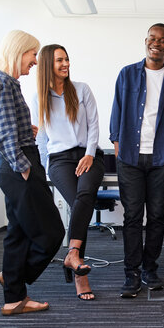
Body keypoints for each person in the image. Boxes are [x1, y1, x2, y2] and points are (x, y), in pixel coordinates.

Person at [0, 30, 65, 316]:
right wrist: (24, 167)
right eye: (33, 54)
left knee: (17, 234)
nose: (34, 62)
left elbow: (3, 128)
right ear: (20, 50)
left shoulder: (7, 83)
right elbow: (3, 136)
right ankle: (14, 276)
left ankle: (14, 298)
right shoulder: (4, 84)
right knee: (53, 232)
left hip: (16, 164)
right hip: (19, 166)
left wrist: (25, 132)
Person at [109, 23, 164, 298]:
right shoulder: (127, 74)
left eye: (163, 39)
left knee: (156, 216)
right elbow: (116, 112)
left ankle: (149, 269)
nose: (157, 43)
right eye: (153, 38)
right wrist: (118, 146)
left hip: (160, 159)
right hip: (129, 157)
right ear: (146, 41)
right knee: (132, 216)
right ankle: (131, 274)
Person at [32, 44, 104, 301]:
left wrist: (90, 154)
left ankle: (74, 259)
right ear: (47, 65)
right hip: (59, 159)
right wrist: (43, 167)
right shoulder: (40, 96)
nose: (65, 64)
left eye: (67, 59)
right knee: (77, 204)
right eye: (59, 60)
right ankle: (77, 267)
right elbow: (41, 137)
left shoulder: (82, 89)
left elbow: (94, 124)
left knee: (84, 198)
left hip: (88, 154)